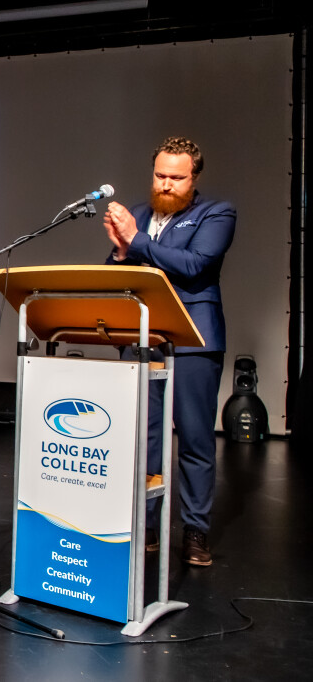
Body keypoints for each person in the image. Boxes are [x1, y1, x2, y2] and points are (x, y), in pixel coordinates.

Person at [103, 136, 236, 566]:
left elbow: (194, 265)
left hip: (194, 339)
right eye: (160, 175)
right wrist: (121, 251)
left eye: (176, 178)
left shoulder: (216, 213)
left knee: (195, 438)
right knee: (145, 437)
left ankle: (195, 530)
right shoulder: (139, 215)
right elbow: (115, 275)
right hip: (142, 338)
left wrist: (134, 240)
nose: (165, 184)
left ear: (194, 178)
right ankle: (147, 524)